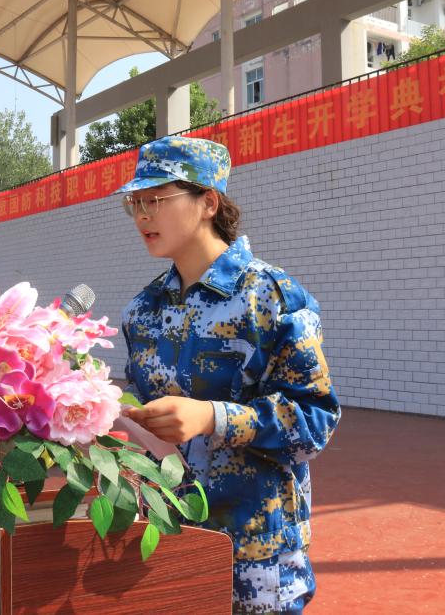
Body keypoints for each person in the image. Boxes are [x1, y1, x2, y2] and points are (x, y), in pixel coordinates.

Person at [117, 136, 341, 614]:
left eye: (156, 199)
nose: (141, 216)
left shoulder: (270, 298)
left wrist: (213, 418)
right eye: (135, 203)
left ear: (208, 203)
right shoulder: (143, 311)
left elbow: (315, 422)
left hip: (256, 558)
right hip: (169, 541)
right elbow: (138, 414)